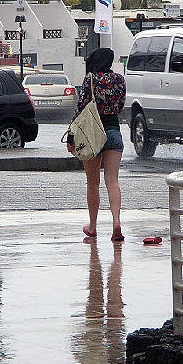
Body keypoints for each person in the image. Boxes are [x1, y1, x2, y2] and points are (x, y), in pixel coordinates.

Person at [67, 48, 126, 241]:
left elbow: (81, 108)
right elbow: (120, 105)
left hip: (92, 135)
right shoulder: (119, 79)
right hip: (113, 132)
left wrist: (71, 137)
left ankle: (92, 226)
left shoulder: (91, 79)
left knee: (93, 183)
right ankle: (116, 221)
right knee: (113, 181)